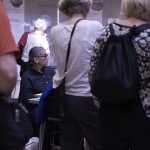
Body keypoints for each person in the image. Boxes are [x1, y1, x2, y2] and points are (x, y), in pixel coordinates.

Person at [89, 0, 150, 149]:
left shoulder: (105, 32)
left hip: (109, 108)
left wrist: (99, 102)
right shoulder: (148, 35)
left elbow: (92, 72)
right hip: (143, 110)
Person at [50, 0, 103, 150]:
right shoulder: (94, 26)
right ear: (87, 6)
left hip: (64, 96)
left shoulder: (55, 30)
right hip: (88, 95)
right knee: (99, 142)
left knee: (70, 142)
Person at [18, 46, 55, 137]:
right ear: (36, 59)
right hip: (35, 107)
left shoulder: (51, 71)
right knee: (38, 114)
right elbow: (27, 100)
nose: (47, 57)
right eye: (44, 55)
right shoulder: (27, 77)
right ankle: (42, 143)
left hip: (51, 104)